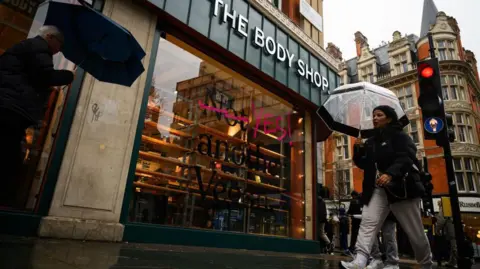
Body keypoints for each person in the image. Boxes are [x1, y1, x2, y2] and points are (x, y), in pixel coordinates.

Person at [341, 105, 432, 269]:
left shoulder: (399, 136)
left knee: (415, 231)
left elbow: (407, 156)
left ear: (389, 118)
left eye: (379, 115)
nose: (374, 118)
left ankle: (426, 263)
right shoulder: (371, 142)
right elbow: (363, 164)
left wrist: (390, 173)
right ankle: (360, 259)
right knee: (368, 223)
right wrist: (358, 150)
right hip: (377, 189)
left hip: (401, 189)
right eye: (373, 115)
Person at [0, 25, 74, 206]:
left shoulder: (28, 47)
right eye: (60, 44)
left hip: (8, 105)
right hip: (11, 108)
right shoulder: (38, 48)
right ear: (49, 37)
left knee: (9, 153)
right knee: (8, 157)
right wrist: (68, 75)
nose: (59, 50)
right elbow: (45, 75)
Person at [435, 200, 457, 268]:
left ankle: (456, 262)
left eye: (439, 204)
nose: (438, 205)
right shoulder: (451, 208)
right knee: (453, 247)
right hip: (454, 230)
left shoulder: (443, 209)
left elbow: (441, 220)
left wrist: (437, 230)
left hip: (451, 231)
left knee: (454, 247)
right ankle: (452, 262)